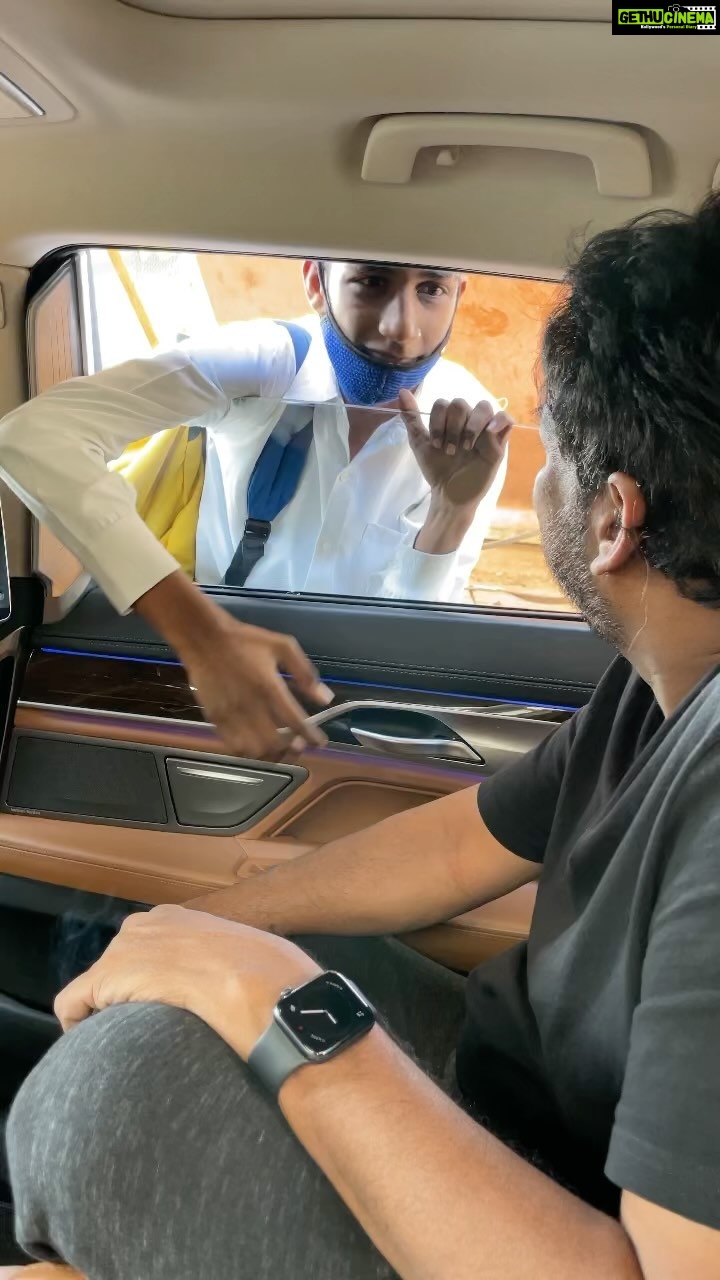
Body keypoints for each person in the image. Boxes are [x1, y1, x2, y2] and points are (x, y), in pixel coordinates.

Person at [8, 192, 720, 1280]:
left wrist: (264, 996)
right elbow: (451, 849)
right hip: (510, 1088)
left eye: (557, 460)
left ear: (615, 522)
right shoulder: (656, 686)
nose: (536, 479)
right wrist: (197, 924)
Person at [0, 259, 511, 762]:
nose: (401, 328)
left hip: (354, 710)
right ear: (316, 283)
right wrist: (201, 637)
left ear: (459, 295)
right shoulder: (263, 362)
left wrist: (453, 510)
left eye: (431, 290)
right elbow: (32, 437)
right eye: (372, 283)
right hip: (205, 685)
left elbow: (415, 637)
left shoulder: (469, 426)